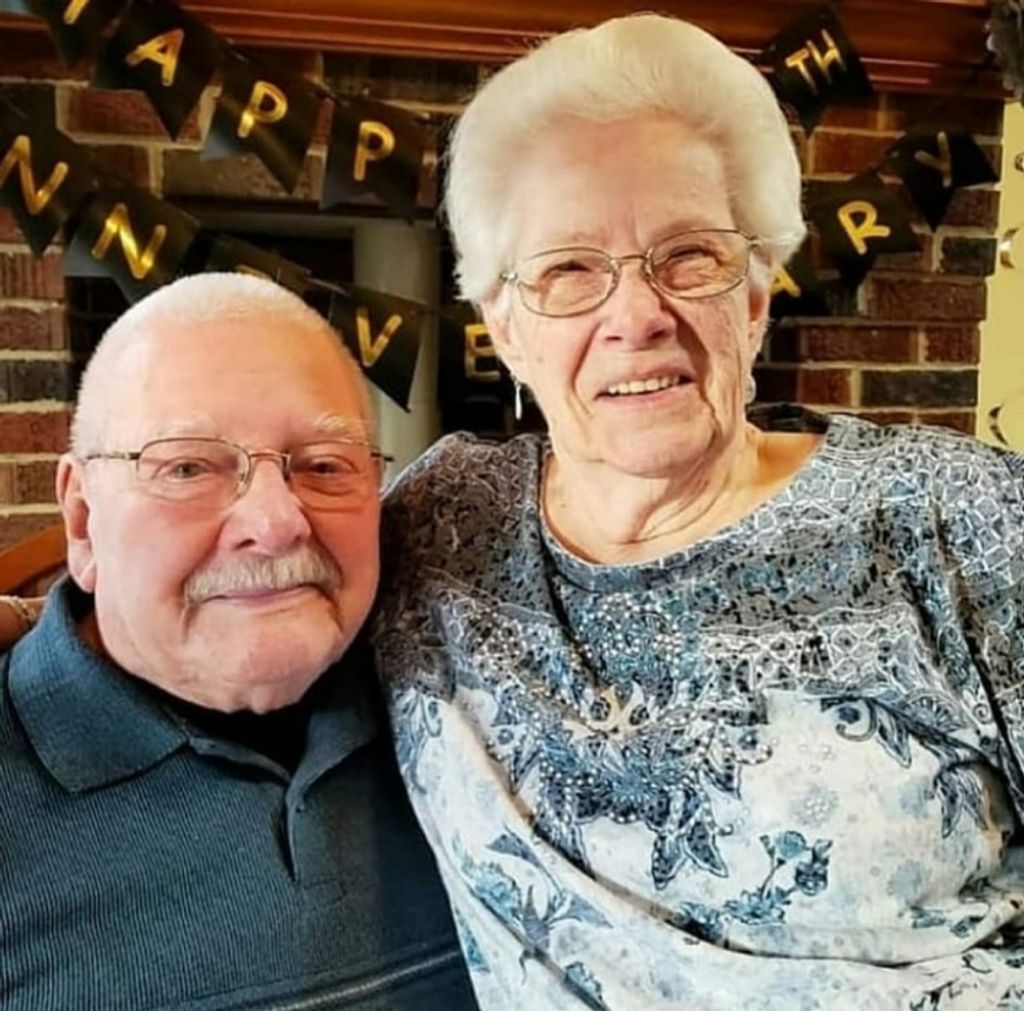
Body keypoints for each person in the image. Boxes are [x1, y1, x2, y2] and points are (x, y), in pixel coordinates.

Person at [371, 14, 1024, 1010]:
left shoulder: (959, 521)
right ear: (505, 328)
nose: (637, 316)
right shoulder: (441, 525)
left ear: (755, 297)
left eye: (688, 257)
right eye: (568, 270)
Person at [0, 273, 477, 1011]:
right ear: (84, 519)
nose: (278, 522)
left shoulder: (480, 709)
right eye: (188, 467)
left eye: (325, 465)